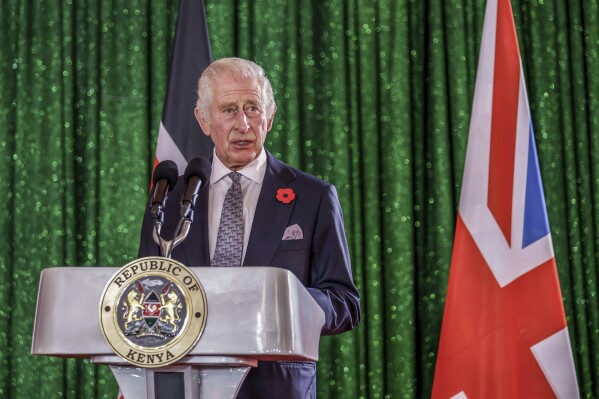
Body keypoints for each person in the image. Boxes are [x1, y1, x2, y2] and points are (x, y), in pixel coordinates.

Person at [138, 57, 360, 398]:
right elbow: (145, 294)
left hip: (277, 388)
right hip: (185, 384)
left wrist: (288, 302)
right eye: (228, 109)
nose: (243, 123)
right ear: (204, 120)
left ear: (269, 118)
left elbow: (345, 303)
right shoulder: (167, 200)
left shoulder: (313, 197)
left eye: (253, 108)